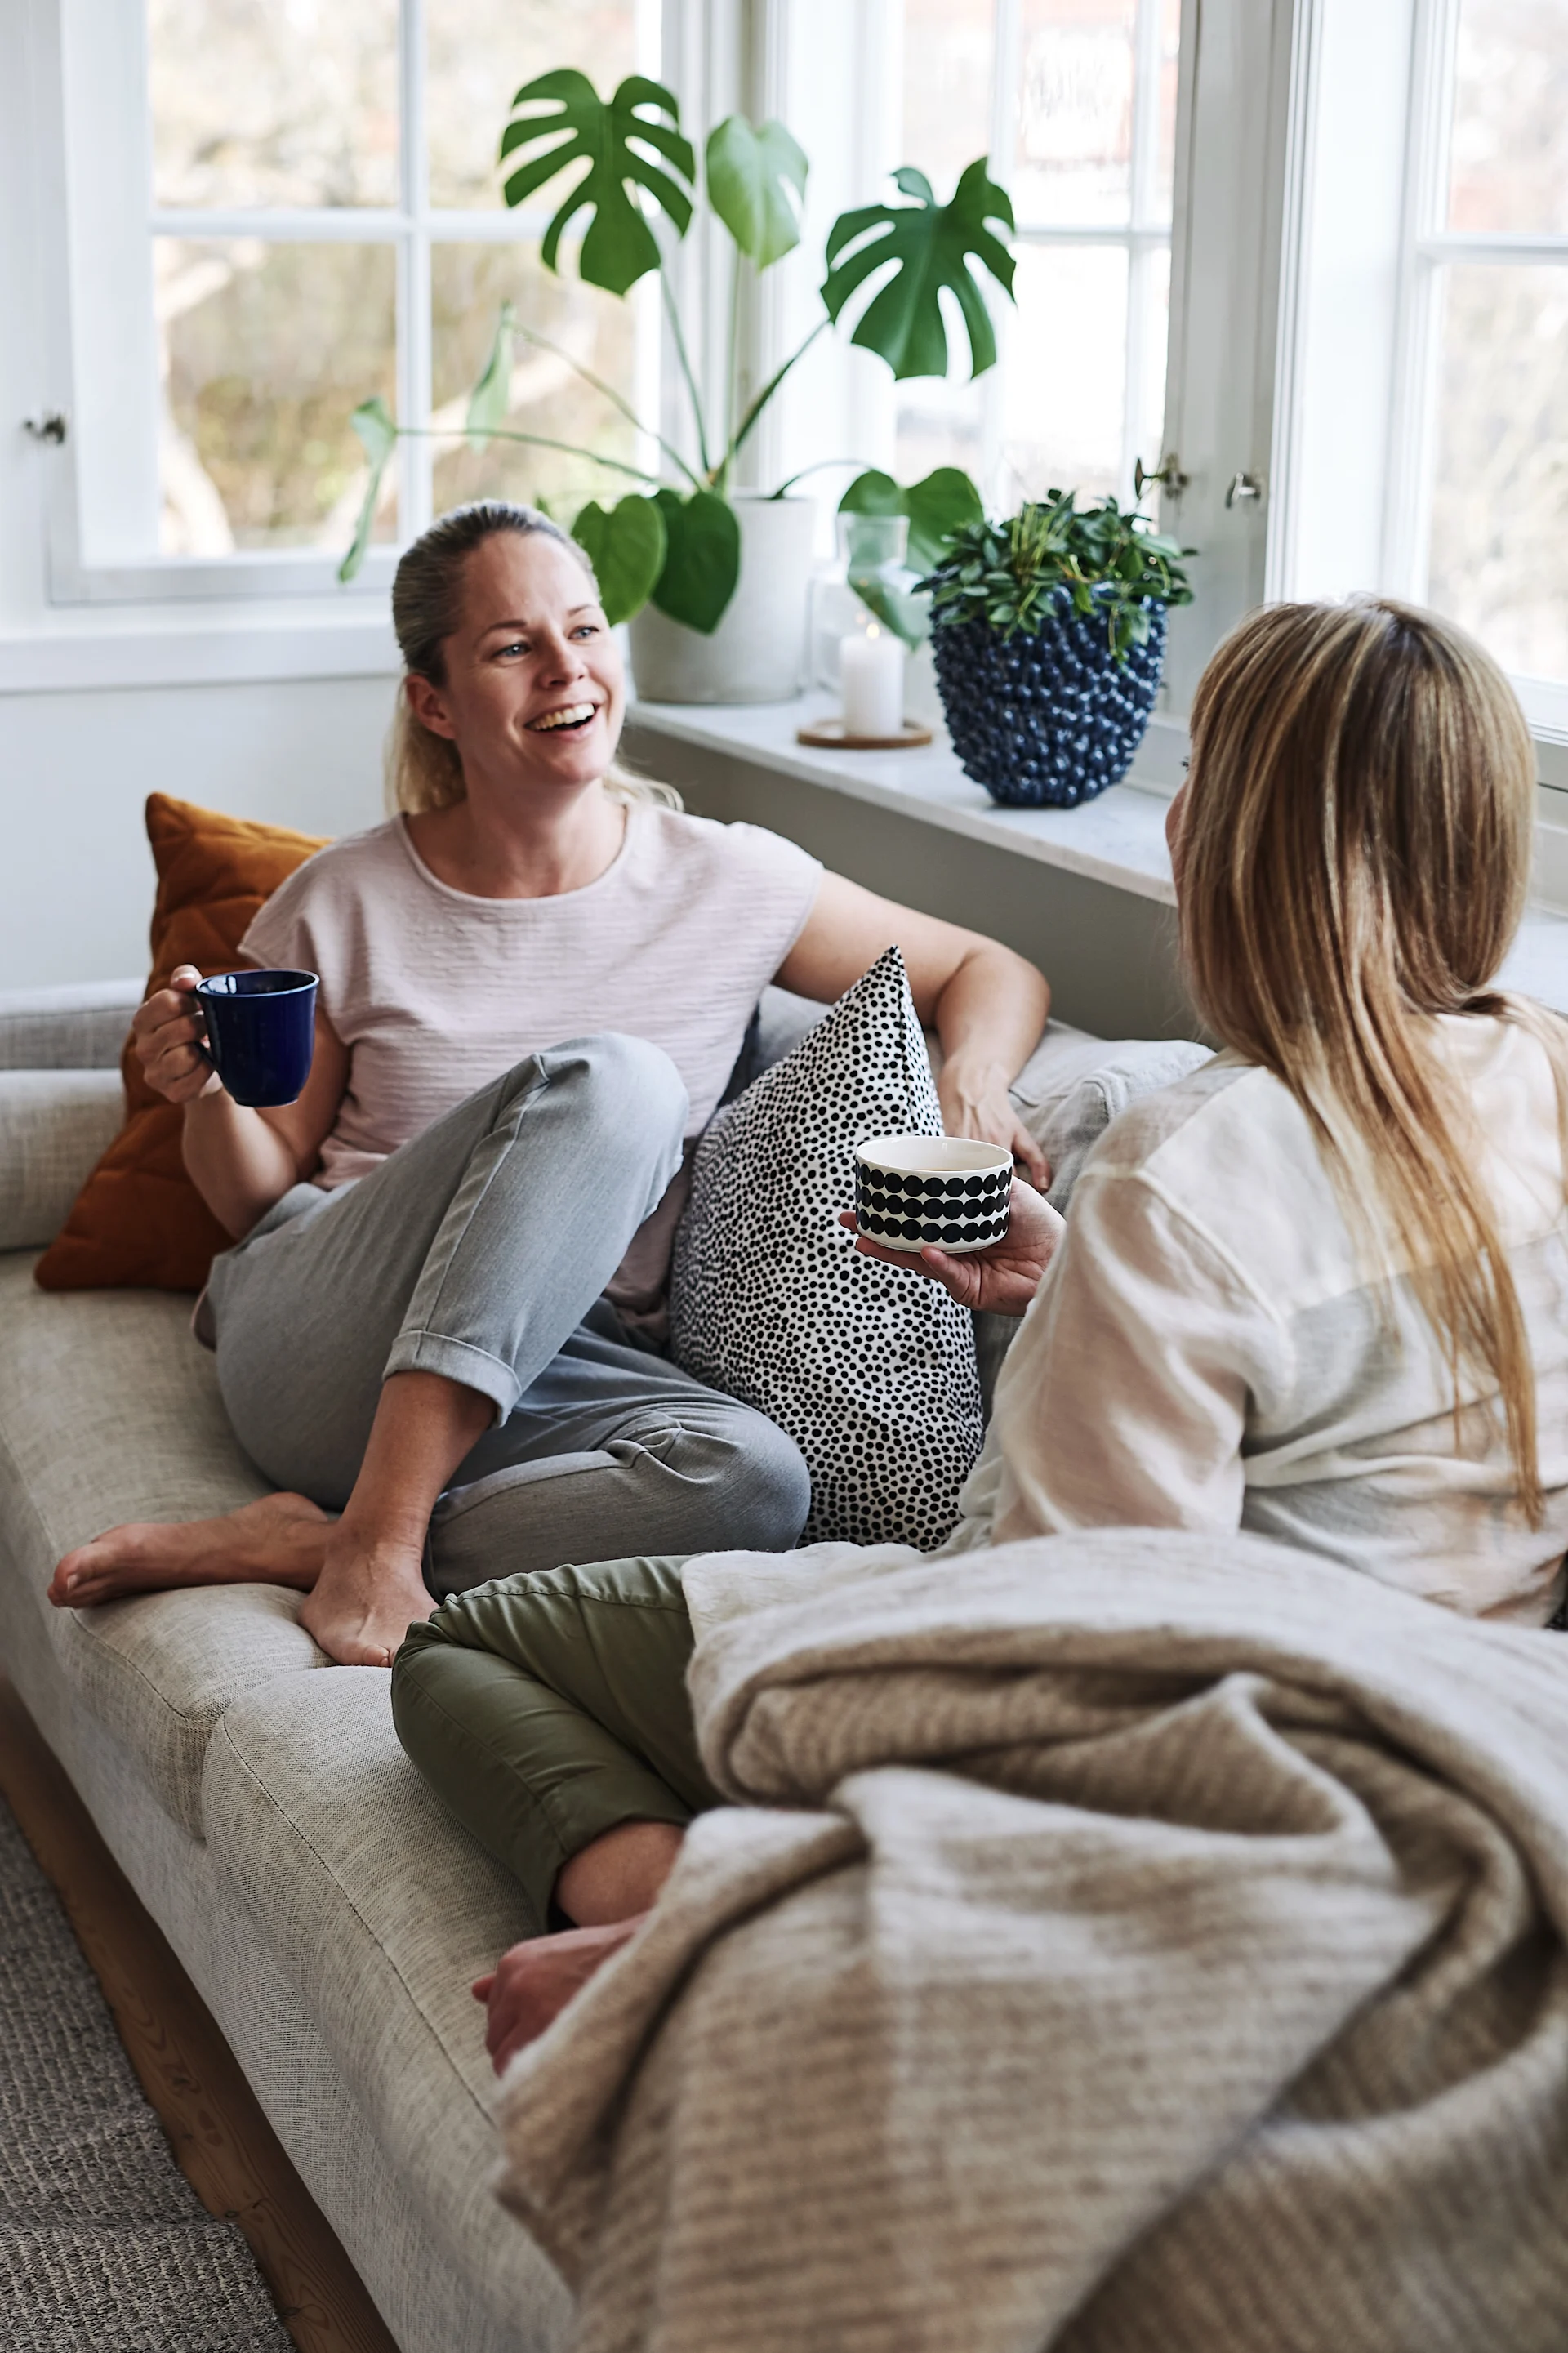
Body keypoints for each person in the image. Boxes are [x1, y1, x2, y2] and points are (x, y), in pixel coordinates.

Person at [390, 594, 1568, 2074]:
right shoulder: (1543, 1074)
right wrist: (1081, 1283)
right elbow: (1356, 1410)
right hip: (1450, 1708)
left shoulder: (1188, 1162)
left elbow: (1083, 1670)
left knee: (461, 1655)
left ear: (1240, 834)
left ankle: (707, 1931)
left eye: (1198, 767)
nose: (1178, 807)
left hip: (1203, 1749)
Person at [47, 501, 1049, 1666]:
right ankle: (376, 1541)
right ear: (435, 701)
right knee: (619, 1082)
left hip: (565, 1363)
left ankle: (322, 1540)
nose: (567, 669)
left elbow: (990, 966)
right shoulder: (343, 899)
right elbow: (255, 1205)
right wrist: (206, 1097)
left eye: (586, 630)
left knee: (757, 1482)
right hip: (329, 1342)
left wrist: (970, 1082)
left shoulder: (728, 878)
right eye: (513, 647)